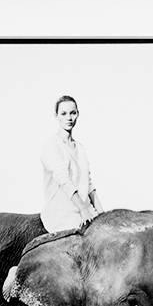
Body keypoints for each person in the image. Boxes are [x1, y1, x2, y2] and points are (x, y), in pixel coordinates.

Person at [39, 95, 104, 234]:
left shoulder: (80, 148)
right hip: (63, 213)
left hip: (85, 208)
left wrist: (103, 214)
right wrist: (83, 209)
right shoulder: (51, 146)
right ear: (56, 116)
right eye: (64, 113)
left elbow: (89, 185)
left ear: (78, 114)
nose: (69, 118)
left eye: (72, 113)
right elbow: (64, 181)